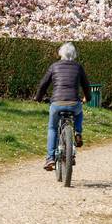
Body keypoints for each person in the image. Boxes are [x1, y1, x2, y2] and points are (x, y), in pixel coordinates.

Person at [36, 42, 91, 171]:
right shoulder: (78, 67)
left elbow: (43, 84)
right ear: (74, 55)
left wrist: (38, 98)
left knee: (52, 128)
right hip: (74, 102)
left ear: (61, 53)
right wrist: (87, 98)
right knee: (79, 112)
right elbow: (86, 85)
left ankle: (50, 158)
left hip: (56, 103)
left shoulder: (54, 66)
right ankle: (78, 132)